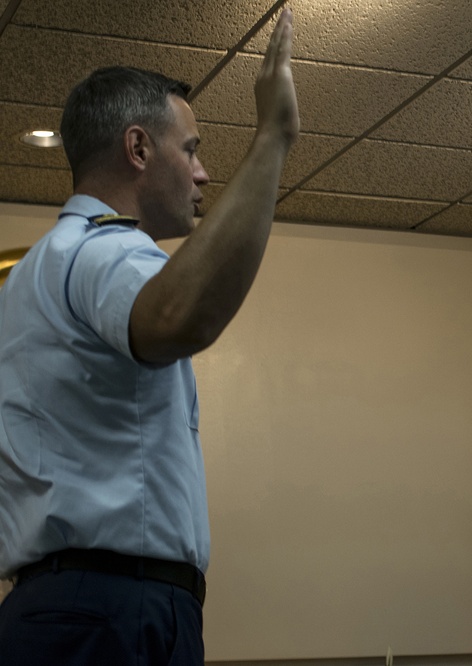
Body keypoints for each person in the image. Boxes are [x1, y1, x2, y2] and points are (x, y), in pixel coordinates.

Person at [0, 8, 298, 664]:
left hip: (68, 609)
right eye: (189, 149)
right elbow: (177, 318)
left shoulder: (38, 270)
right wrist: (272, 139)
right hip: (110, 613)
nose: (202, 174)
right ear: (138, 149)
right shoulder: (103, 250)